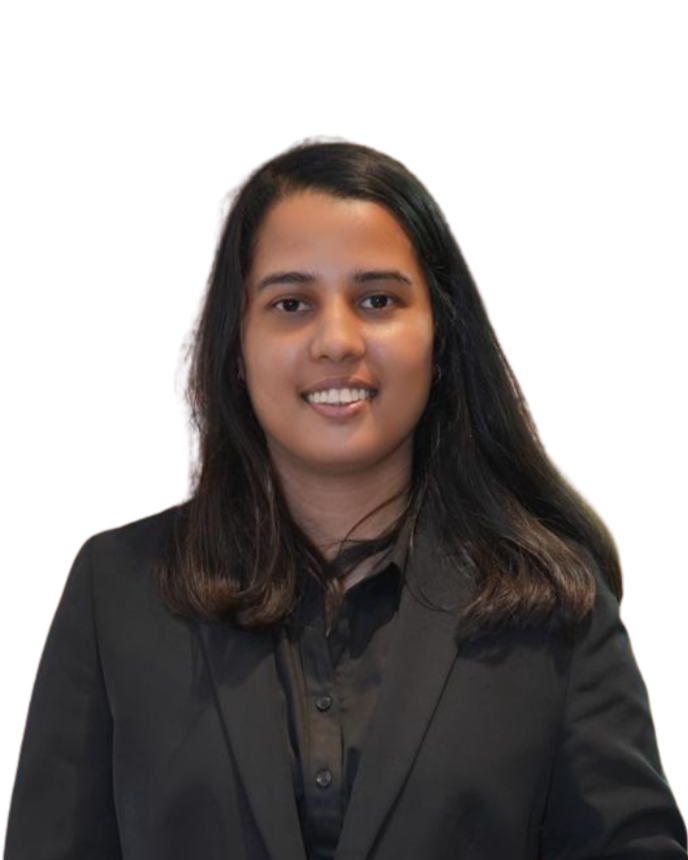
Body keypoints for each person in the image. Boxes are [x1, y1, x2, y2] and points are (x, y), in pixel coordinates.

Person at [5, 135, 686, 859]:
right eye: (292, 302)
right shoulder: (116, 591)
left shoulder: (554, 605)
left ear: (441, 338)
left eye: (378, 299)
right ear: (237, 348)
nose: (336, 339)